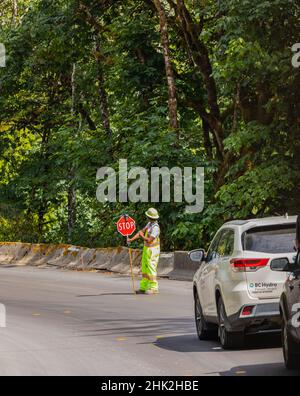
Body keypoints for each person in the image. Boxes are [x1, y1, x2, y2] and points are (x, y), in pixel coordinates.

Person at [128, 208, 160, 295]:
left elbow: (149, 240)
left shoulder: (155, 227)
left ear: (149, 217)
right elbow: (140, 232)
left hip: (153, 250)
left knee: (151, 267)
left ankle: (153, 288)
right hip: (147, 249)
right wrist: (131, 239)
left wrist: (142, 235)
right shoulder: (149, 224)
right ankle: (144, 287)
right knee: (145, 268)